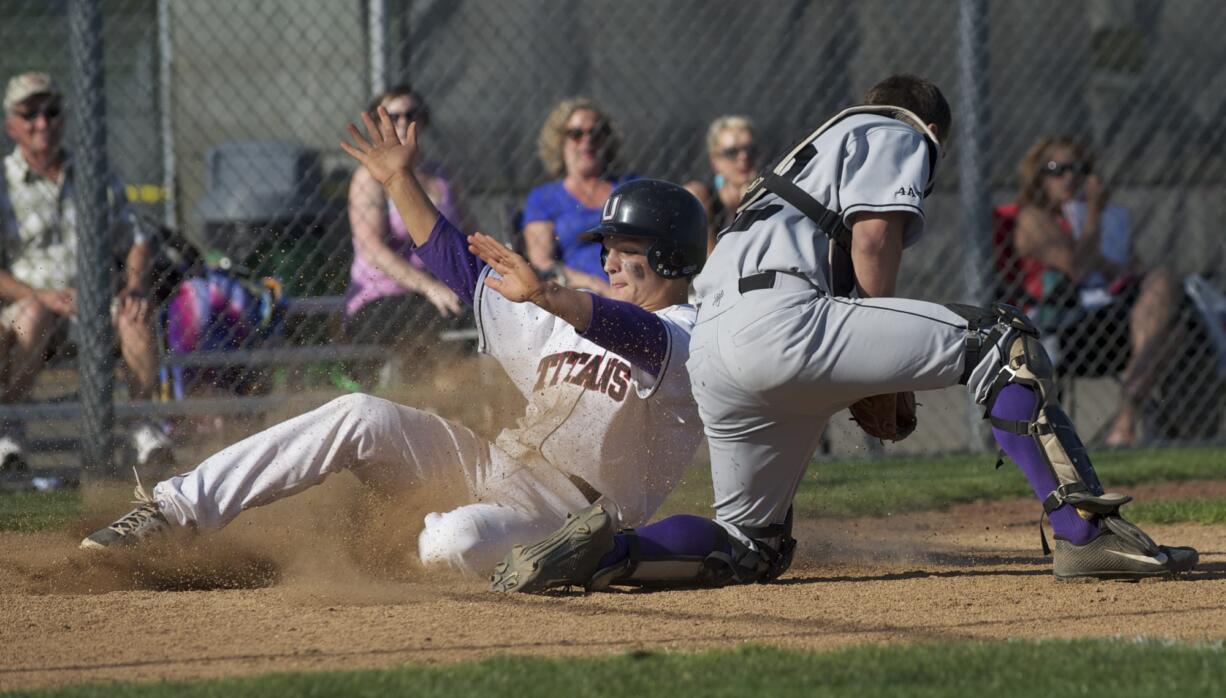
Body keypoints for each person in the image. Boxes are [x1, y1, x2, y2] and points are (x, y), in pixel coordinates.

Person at [491, 74, 1198, 594]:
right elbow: (872, 239)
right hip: (787, 325)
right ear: (932, 128)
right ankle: (1083, 535)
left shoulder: (800, 159)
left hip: (716, 346)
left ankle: (609, 553)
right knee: (1002, 339)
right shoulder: (895, 128)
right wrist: (880, 365)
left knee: (752, 546)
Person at [79, 107, 709, 579]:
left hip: (570, 516)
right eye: (607, 250)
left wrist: (548, 294)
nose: (611, 263)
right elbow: (453, 262)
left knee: (454, 541)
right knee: (359, 414)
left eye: (627, 251)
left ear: (670, 256)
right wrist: (399, 181)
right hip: (494, 463)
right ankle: (171, 512)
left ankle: (378, 543)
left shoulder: (686, 336)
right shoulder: (565, 318)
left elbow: (636, 334)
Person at [0, 72, 172, 470]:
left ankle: (144, 429)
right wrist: (37, 294)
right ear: (12, 124)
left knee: (136, 314)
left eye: (51, 112)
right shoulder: (4, 182)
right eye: (30, 114)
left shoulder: (93, 173)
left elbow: (137, 236)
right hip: (33, 304)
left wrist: (134, 286)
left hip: (96, 303)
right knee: (30, 317)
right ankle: (10, 427)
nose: (42, 122)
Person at [1012, 136, 1179, 446]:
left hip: (1114, 319)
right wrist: (1092, 213)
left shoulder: (1103, 219)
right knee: (1167, 328)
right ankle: (1130, 414)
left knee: (1168, 301)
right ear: (1039, 176)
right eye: (1057, 169)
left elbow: (1132, 268)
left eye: (1080, 169)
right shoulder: (1034, 218)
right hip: (1066, 325)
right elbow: (1078, 268)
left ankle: (1128, 421)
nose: (1070, 177)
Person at [344, 85, 469, 384]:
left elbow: (469, 233)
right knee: (433, 319)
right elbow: (372, 249)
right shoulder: (368, 179)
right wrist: (428, 287)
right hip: (382, 296)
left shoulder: (442, 176)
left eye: (410, 116)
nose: (401, 123)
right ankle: (436, 399)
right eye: (391, 116)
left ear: (422, 122)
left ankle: (472, 406)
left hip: (444, 293)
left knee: (490, 314)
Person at [521, 98, 634, 295]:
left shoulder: (630, 187)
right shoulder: (543, 199)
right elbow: (542, 262)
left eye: (596, 133)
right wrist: (596, 285)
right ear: (559, 141)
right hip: (583, 296)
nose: (587, 141)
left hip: (637, 288)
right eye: (576, 134)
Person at [685, 115, 761, 254]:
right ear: (715, 161)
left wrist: (751, 202)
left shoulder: (768, 196)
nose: (743, 157)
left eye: (750, 149)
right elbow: (709, 266)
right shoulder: (702, 199)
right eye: (731, 152)